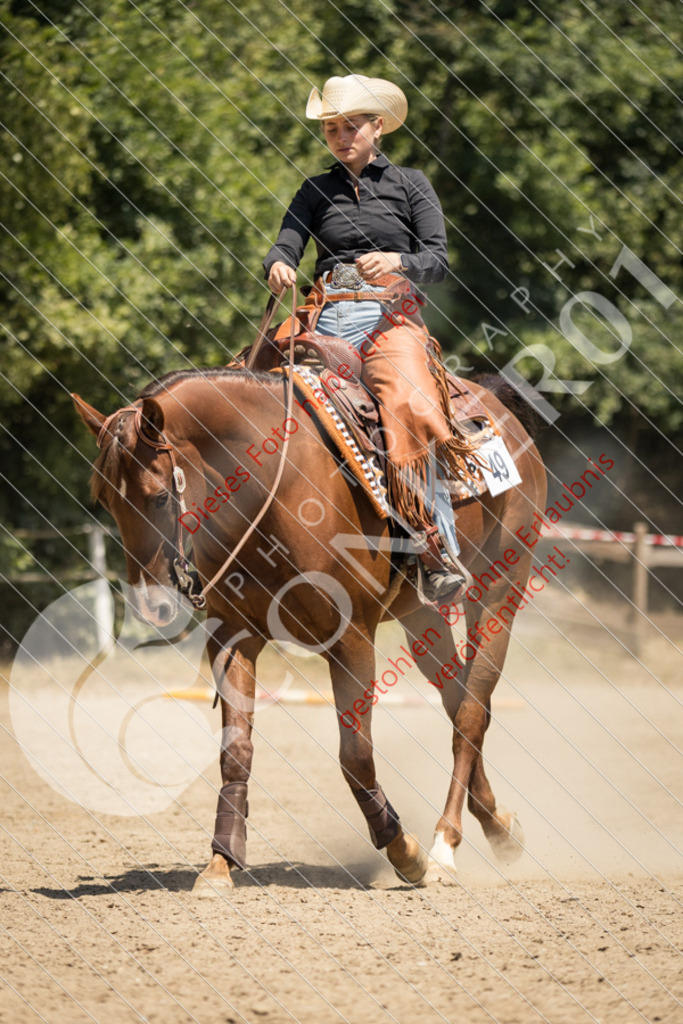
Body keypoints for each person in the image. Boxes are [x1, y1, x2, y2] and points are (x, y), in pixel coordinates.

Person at [263, 74, 473, 602]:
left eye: (350, 126)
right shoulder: (314, 189)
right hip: (322, 316)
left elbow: (438, 260)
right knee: (252, 384)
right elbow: (286, 242)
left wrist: (399, 260)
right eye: (331, 128)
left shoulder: (411, 184)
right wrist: (279, 263)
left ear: (377, 127)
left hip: (389, 319)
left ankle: (434, 548)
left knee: (410, 402)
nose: (340, 136)